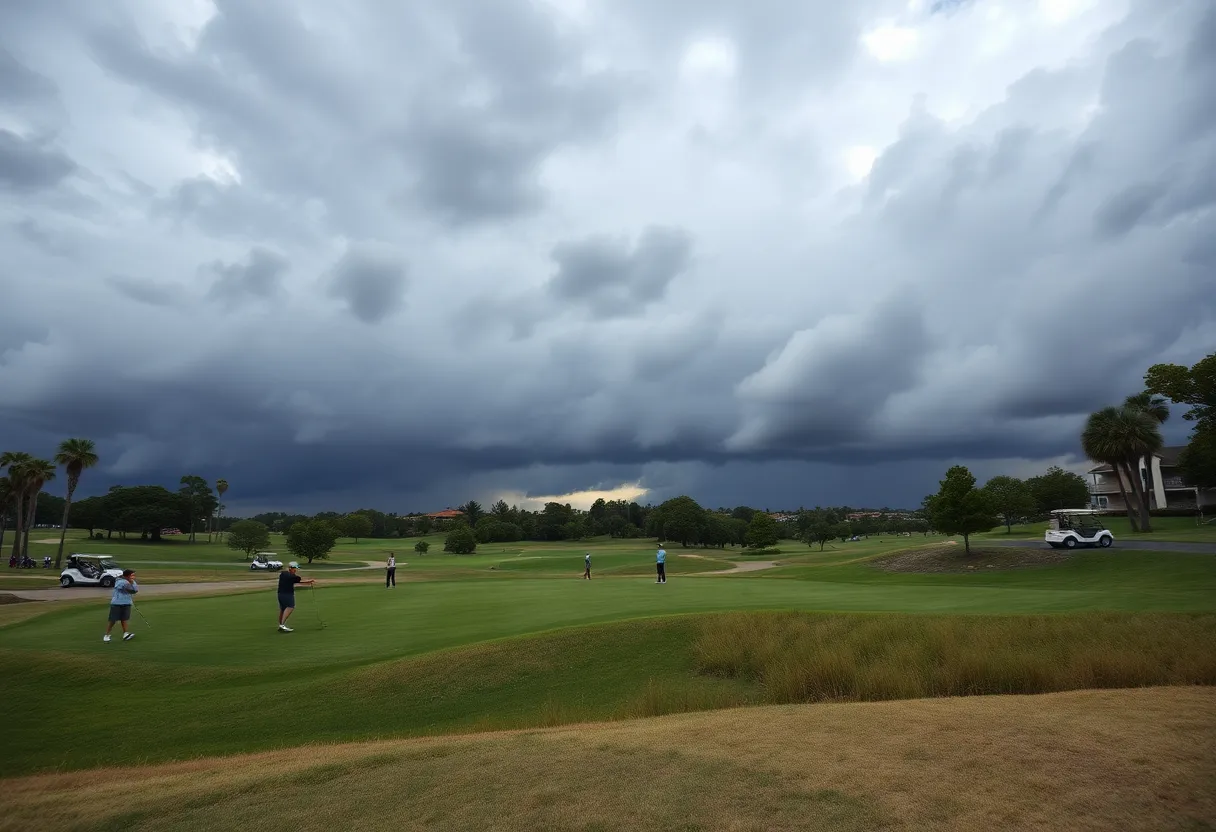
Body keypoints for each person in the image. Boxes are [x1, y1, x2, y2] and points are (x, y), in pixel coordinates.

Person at [277, 562, 315, 632]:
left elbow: (297, 581)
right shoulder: (293, 577)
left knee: (283, 609)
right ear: (290, 568)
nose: (295, 570)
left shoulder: (283, 574)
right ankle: (282, 625)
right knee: (290, 607)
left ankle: (280, 625)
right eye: (294, 569)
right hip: (287, 594)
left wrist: (308, 582)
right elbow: (297, 579)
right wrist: (308, 582)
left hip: (280, 594)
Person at [104, 569, 139, 642]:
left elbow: (135, 590)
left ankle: (125, 634)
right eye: (132, 575)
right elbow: (125, 588)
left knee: (124, 619)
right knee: (113, 620)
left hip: (126, 603)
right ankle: (106, 635)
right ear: (127, 576)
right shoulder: (119, 581)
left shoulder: (132, 582)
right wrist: (130, 584)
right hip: (117, 603)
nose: (133, 577)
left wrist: (131, 584)